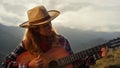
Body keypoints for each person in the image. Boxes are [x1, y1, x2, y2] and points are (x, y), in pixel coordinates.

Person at [1, 5, 108, 68]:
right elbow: (4, 64)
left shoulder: (62, 41)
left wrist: (96, 56)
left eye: (50, 22)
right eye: (45, 25)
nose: (50, 26)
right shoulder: (25, 44)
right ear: (35, 29)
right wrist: (29, 65)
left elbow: (75, 63)